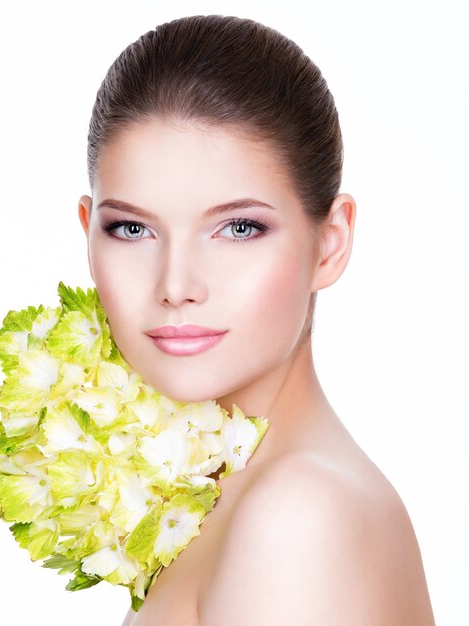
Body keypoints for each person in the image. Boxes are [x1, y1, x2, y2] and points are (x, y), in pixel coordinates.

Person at [76, 14, 436, 625]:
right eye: (132, 229)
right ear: (88, 231)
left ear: (331, 242)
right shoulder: (219, 494)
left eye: (238, 228)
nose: (176, 286)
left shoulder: (297, 514)